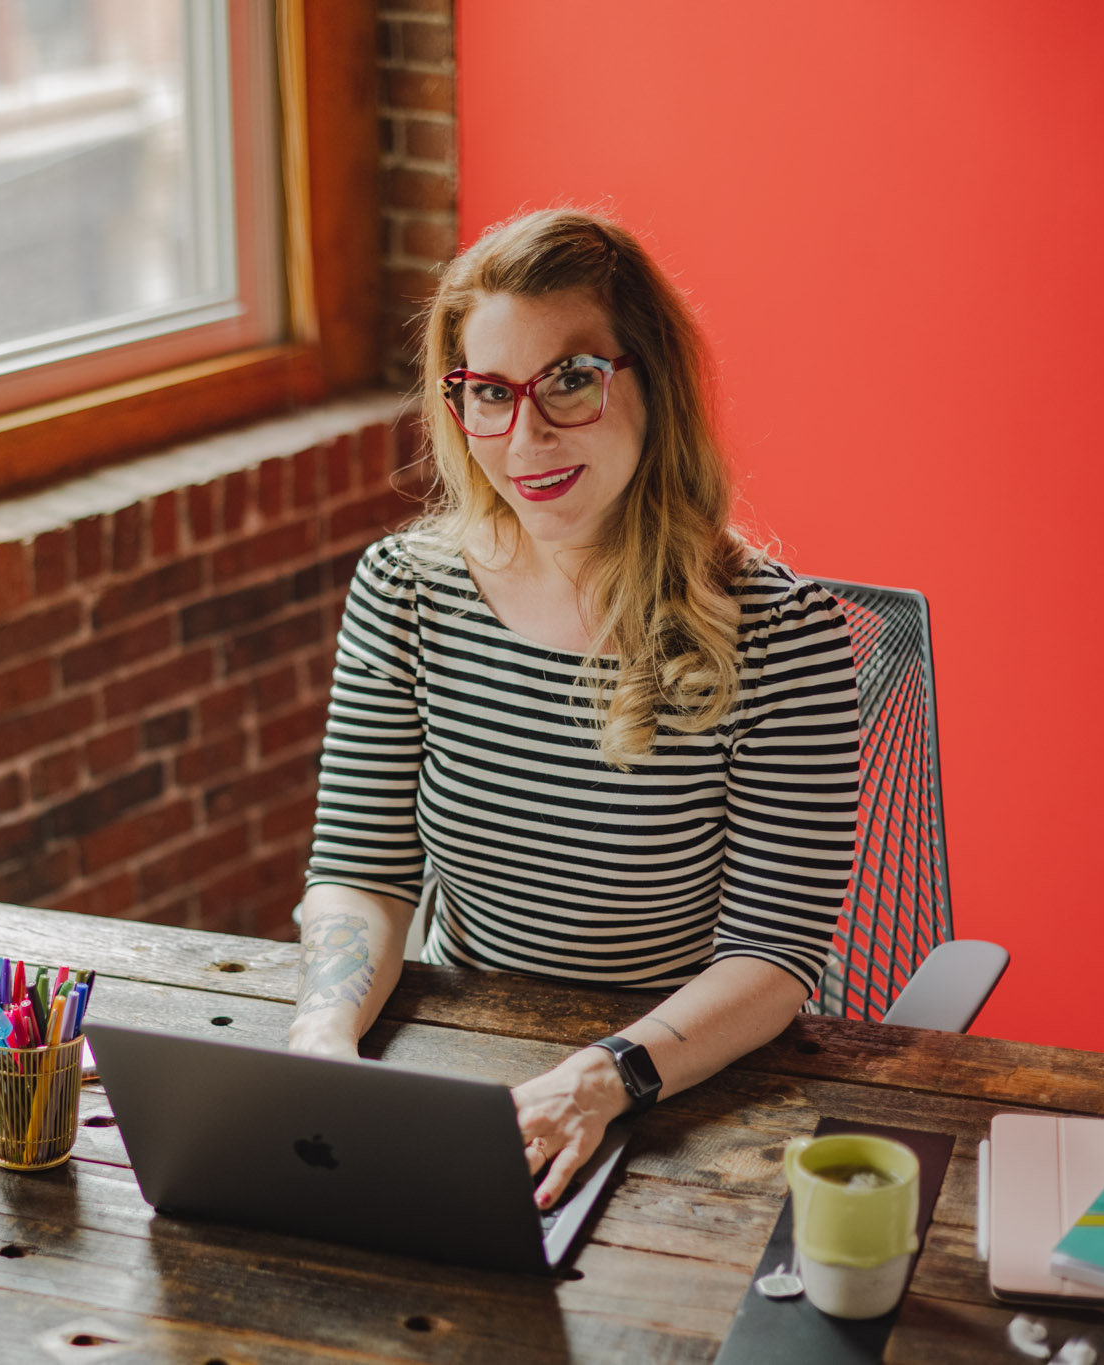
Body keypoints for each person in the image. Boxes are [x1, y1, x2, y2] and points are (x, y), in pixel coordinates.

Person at [287, 207, 862, 1210]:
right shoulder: (405, 589)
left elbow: (769, 960)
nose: (525, 438)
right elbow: (361, 873)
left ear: (651, 381)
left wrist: (602, 1080)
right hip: (460, 1041)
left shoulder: (782, 632)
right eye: (487, 394)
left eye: (570, 380)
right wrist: (321, 1038)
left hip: (668, 1075)